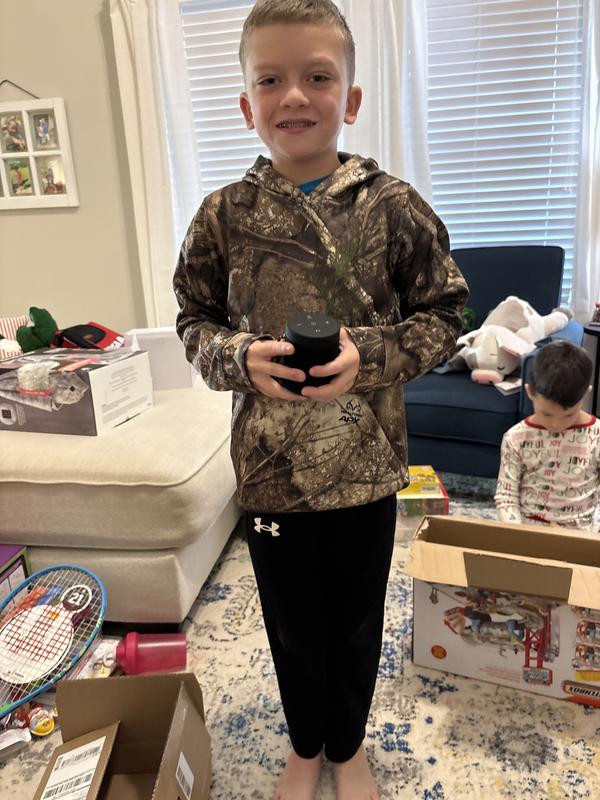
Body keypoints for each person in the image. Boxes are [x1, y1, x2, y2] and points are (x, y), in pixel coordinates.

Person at [173, 2, 468, 798]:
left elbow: (446, 313)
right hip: (272, 473)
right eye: (270, 80)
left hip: (366, 466)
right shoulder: (222, 217)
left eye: (317, 76)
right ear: (246, 106)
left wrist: (367, 356)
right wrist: (238, 357)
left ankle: (350, 744)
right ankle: (306, 744)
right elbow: (193, 320)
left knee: (356, 620)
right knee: (292, 623)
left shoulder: (392, 206)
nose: (294, 96)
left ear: (352, 98)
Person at [495, 340, 600, 530]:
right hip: (529, 531)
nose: (556, 425)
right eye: (547, 414)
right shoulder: (516, 438)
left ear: (586, 394)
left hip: (582, 534)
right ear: (530, 392)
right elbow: (507, 497)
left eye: (568, 415)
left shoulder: (597, 436)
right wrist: (518, 534)